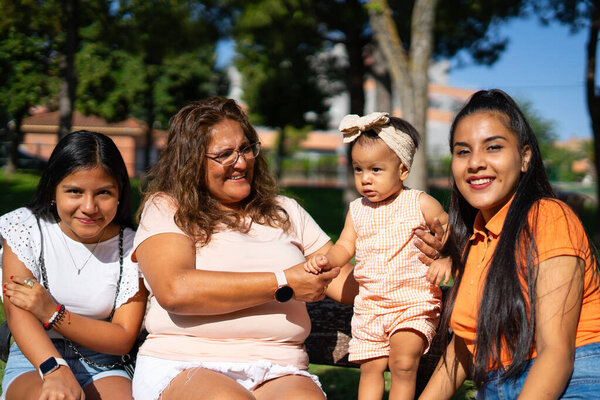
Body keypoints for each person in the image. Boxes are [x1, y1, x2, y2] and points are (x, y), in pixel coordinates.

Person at [130, 97, 445, 400]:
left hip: (280, 369)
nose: (240, 162)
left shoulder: (285, 210)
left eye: (245, 149)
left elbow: (337, 276)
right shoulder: (168, 208)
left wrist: (409, 264)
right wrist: (283, 283)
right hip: (188, 362)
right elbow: (175, 289)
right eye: (224, 154)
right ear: (192, 161)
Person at [419, 89, 600, 399]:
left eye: (493, 147)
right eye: (463, 152)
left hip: (572, 380)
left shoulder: (548, 218)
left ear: (525, 158)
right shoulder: (476, 240)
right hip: (495, 385)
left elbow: (556, 353)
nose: (475, 162)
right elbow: (463, 347)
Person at [304, 112, 450, 400]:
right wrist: (328, 260)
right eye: (359, 170)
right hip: (370, 306)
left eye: (376, 170)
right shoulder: (357, 210)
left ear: (403, 171)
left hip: (412, 303)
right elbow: (345, 246)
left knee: (403, 363)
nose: (365, 179)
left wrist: (445, 257)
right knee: (370, 369)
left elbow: (447, 231)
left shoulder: (419, 202)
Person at [0, 130, 148, 400]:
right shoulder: (24, 227)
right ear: (54, 191)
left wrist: (52, 313)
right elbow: (16, 311)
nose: (89, 207)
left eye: (103, 192)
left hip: (105, 362)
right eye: (74, 192)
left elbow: (123, 337)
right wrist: (54, 369)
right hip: (37, 357)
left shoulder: (134, 246)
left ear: (119, 194)